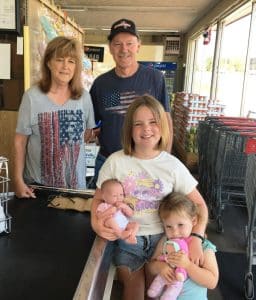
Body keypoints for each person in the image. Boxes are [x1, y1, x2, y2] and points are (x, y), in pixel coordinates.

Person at [91, 94, 209, 300]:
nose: (146, 129)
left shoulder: (172, 165)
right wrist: (96, 224)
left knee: (156, 294)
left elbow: (199, 204)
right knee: (133, 294)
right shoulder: (115, 162)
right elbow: (97, 199)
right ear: (129, 129)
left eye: (153, 122)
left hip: (164, 242)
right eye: (138, 124)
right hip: (128, 242)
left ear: (162, 126)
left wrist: (197, 239)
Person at [89, 18, 173, 187]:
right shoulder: (101, 84)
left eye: (129, 43)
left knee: (143, 211)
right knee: (105, 210)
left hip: (145, 164)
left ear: (138, 46)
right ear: (110, 48)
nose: (124, 49)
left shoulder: (155, 79)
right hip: (108, 162)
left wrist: (164, 159)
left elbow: (166, 121)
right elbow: (94, 123)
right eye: (118, 44)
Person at [14, 36, 95, 198]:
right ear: (49, 63)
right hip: (38, 187)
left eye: (71, 61)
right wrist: (17, 180)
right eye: (60, 59)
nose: (66, 66)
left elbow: (88, 135)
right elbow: (20, 142)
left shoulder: (84, 97)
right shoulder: (32, 97)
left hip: (75, 188)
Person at [147, 192, 218, 300]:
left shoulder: (204, 247)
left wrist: (188, 265)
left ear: (194, 221)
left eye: (180, 225)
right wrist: (160, 267)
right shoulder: (165, 241)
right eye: (169, 226)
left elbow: (212, 282)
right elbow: (151, 267)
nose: (175, 232)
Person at [97, 178, 139, 244]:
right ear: (104, 197)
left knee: (136, 224)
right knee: (110, 220)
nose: (119, 198)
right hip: (111, 225)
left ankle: (131, 237)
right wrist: (108, 211)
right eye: (114, 196)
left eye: (121, 195)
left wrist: (125, 207)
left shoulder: (122, 204)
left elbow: (131, 214)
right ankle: (121, 234)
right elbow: (99, 217)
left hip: (124, 224)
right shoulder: (103, 206)